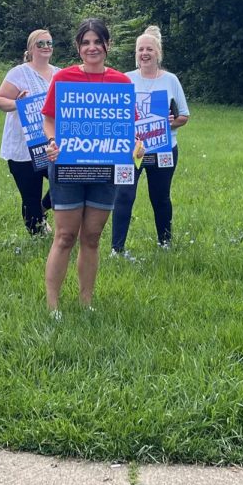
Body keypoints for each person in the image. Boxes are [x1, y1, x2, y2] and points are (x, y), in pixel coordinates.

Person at [41, 18, 132, 315]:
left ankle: (85, 301)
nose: (92, 47)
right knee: (65, 236)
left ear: (108, 45)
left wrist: (136, 144)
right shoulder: (64, 78)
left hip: (105, 168)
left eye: (97, 41)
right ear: (78, 48)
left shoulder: (122, 82)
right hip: (68, 166)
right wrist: (52, 141)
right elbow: (49, 118)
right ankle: (52, 305)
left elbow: (127, 127)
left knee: (92, 236)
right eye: (86, 42)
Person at [111, 26, 190, 257]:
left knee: (160, 196)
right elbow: (116, 115)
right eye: (140, 49)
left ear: (158, 52)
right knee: (124, 195)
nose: (144, 53)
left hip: (163, 149)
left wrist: (170, 122)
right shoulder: (124, 79)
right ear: (136, 54)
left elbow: (184, 116)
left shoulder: (171, 80)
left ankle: (164, 243)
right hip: (131, 150)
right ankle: (117, 249)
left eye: (149, 49)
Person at [0, 29, 60, 236]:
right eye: (41, 43)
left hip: (52, 144)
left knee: (66, 179)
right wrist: (17, 103)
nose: (46, 47)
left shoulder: (60, 73)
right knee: (30, 203)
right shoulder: (18, 73)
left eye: (49, 43)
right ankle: (37, 234)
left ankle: (42, 209)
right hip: (23, 148)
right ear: (31, 48)